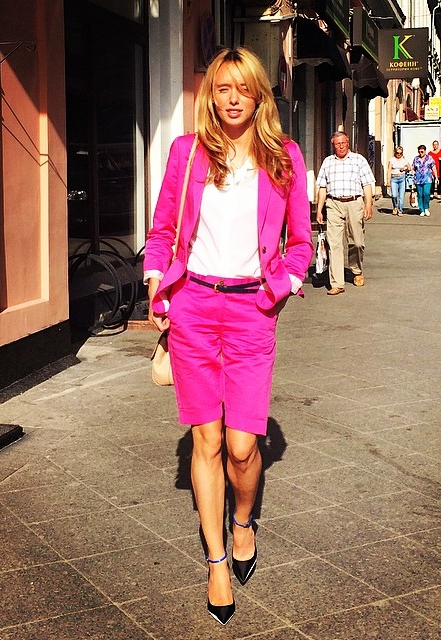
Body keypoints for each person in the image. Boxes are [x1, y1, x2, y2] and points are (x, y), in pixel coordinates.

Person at [143, 47, 313, 626]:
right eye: (223, 88)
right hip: (193, 306)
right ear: (210, 96)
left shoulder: (284, 157)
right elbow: (162, 230)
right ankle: (216, 560)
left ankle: (244, 520)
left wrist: (282, 288)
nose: (233, 98)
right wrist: (156, 283)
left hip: (251, 310)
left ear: (259, 94)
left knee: (243, 447)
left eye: (244, 87)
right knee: (207, 441)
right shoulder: (187, 153)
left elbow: (301, 242)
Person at [315, 132, 375, 295]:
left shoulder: (359, 160)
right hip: (333, 204)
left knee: (357, 242)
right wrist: (319, 209)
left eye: (343, 143)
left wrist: (368, 204)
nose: (341, 146)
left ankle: (356, 270)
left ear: (348, 143)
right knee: (334, 243)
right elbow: (322, 187)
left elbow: (367, 184)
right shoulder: (328, 162)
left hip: (354, 203)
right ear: (333, 145)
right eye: (337, 144)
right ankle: (337, 283)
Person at [412, 145, 437, 217]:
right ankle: (421, 209)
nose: (420, 153)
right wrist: (412, 175)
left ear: (425, 151)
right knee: (420, 194)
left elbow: (433, 167)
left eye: (422, 152)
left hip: (427, 178)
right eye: (419, 152)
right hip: (418, 179)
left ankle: (426, 208)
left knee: (426, 193)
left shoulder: (429, 158)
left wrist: (436, 177)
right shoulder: (416, 159)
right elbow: (413, 168)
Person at [386, 145, 411, 217]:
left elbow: (409, 168)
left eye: (400, 153)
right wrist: (388, 181)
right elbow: (389, 170)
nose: (399, 154)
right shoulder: (392, 160)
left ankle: (400, 210)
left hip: (402, 178)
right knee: (394, 195)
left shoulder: (404, 160)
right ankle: (395, 207)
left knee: (401, 196)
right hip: (394, 178)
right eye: (397, 153)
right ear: (395, 153)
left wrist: (405, 168)